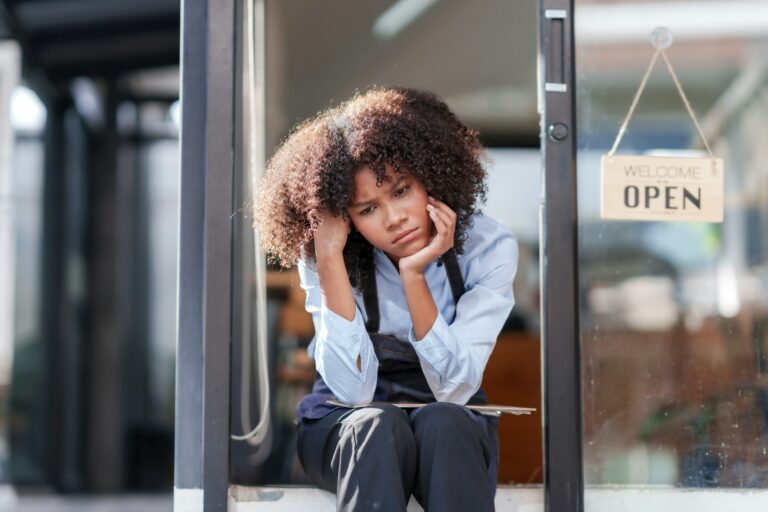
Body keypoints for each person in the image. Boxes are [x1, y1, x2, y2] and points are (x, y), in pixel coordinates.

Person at [253, 87, 518, 512]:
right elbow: (354, 391)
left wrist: (414, 274)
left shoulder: (488, 247)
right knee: (376, 423)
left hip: (448, 423)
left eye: (400, 191)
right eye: (367, 209)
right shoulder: (327, 255)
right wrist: (327, 258)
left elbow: (454, 387)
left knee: (443, 421)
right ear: (346, 218)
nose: (394, 219)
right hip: (349, 422)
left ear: (431, 174)